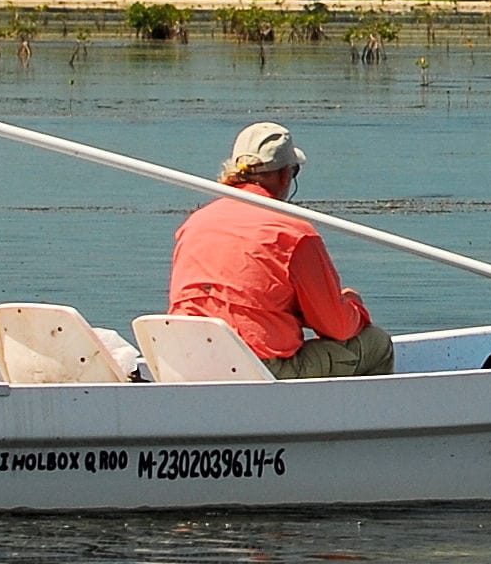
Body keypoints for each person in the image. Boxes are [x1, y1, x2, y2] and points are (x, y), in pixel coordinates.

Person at [166, 122, 396, 378]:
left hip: (189, 360)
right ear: (286, 174)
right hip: (257, 368)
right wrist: (353, 306)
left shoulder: (195, 222)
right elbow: (338, 327)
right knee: (377, 344)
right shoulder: (294, 232)